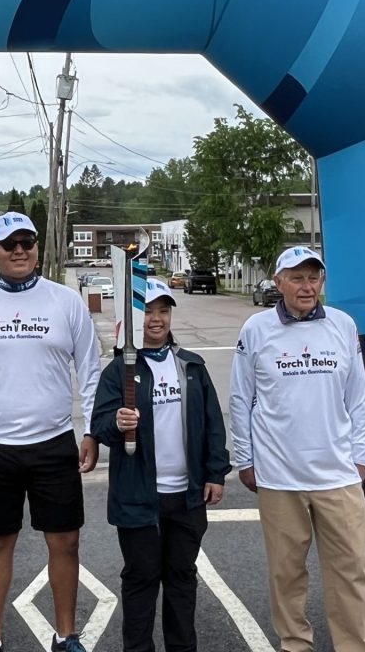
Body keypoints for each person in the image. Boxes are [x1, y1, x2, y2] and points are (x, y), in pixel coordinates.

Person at [0, 212, 101, 652]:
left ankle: (66, 634)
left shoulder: (65, 302)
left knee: (66, 542)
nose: (19, 250)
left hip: (53, 442)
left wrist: (91, 430)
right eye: (9, 243)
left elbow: (90, 371)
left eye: (27, 242)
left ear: (37, 248)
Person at [229, 246, 365, 652]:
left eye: (313, 277)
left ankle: (360, 646)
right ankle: (296, 644)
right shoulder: (256, 330)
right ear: (277, 283)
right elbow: (241, 399)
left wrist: (359, 457)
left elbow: (358, 398)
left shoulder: (342, 325)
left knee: (352, 572)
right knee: (287, 574)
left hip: (338, 476)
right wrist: (245, 458)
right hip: (279, 477)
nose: (306, 286)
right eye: (296, 278)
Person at [91, 278, 231, 652]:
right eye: (148, 311)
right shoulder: (119, 370)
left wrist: (216, 473)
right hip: (138, 498)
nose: (156, 319)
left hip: (186, 498)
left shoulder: (191, 366)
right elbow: (99, 425)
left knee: (182, 579)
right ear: (136, 319)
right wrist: (117, 424)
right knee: (141, 580)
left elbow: (212, 424)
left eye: (163, 311)